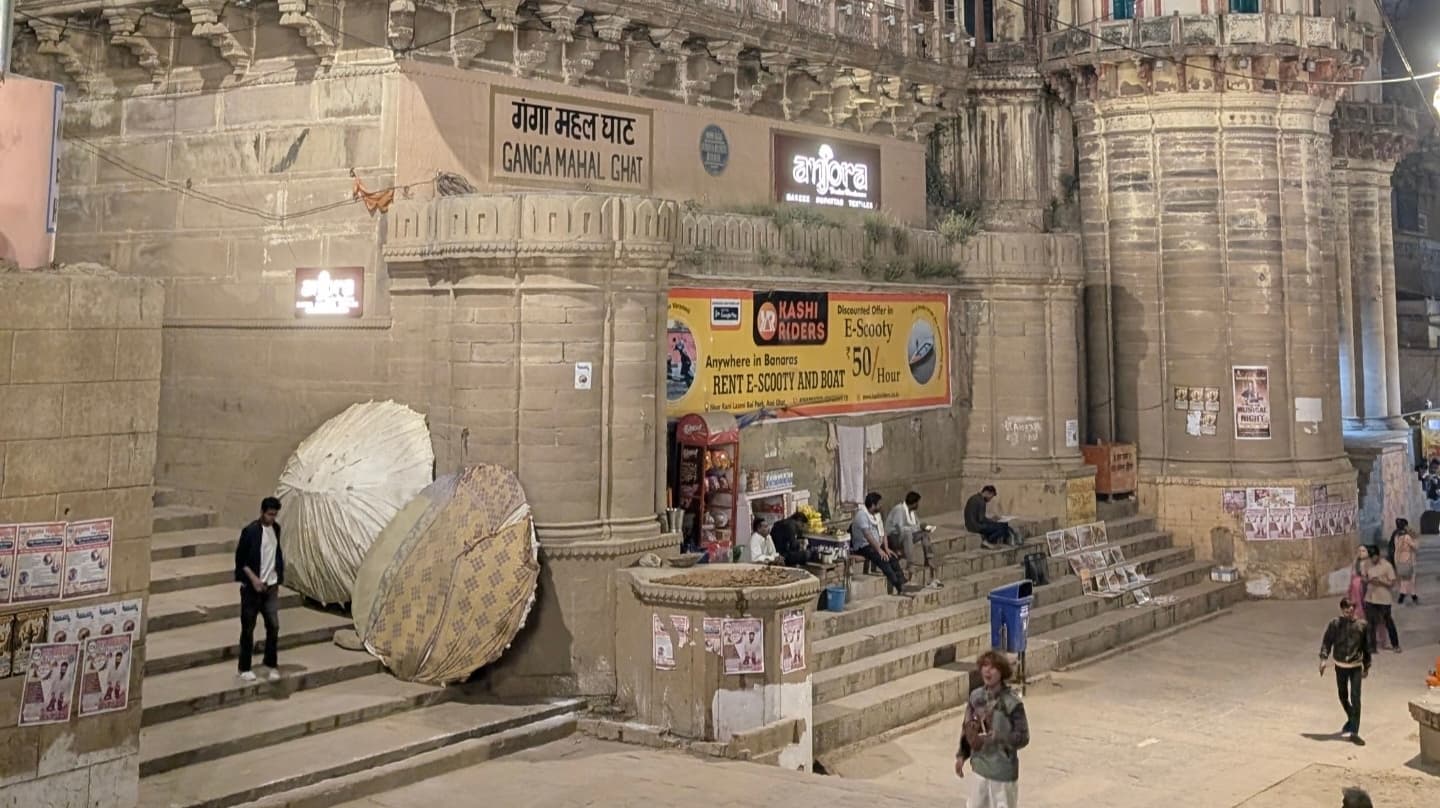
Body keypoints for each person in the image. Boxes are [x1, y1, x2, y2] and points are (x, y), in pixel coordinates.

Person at [956, 650, 1029, 807]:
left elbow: (1023, 737)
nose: (987, 671)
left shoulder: (1012, 703)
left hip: (1002, 773)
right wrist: (962, 755)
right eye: (984, 666)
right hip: (979, 769)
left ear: (1002, 672)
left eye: (993, 667)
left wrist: (1000, 737)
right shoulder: (976, 697)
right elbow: (966, 728)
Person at [235, 496, 286, 682]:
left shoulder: (276, 529)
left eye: (275, 515)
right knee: (248, 628)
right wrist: (254, 580)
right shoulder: (250, 532)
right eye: (270, 514)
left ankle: (271, 663)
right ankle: (244, 667)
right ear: (262, 512)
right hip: (252, 589)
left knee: (273, 626)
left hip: (271, 587)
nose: (272, 518)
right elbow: (241, 562)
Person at [1319, 597, 1371, 746]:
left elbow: (1366, 648)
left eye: (1351, 608)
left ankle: (1354, 731)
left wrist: (1367, 666)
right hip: (1340, 666)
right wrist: (1323, 659)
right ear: (1342, 610)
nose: (1349, 611)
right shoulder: (1335, 625)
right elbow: (1327, 642)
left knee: (1356, 697)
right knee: (1343, 696)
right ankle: (1351, 717)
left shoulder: (1362, 626)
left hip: (1355, 666)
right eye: (1346, 608)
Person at [850, 492, 909, 596]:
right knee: (883, 560)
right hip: (863, 546)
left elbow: (883, 532)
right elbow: (868, 536)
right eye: (879, 504)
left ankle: (903, 581)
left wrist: (886, 548)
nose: (881, 506)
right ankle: (899, 586)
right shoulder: (861, 515)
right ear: (873, 505)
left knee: (892, 557)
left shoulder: (876, 515)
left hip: (876, 544)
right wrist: (880, 550)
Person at [887, 491, 939, 583]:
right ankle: (910, 564)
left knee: (924, 534)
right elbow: (901, 529)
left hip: (906, 536)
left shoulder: (912, 512)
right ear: (914, 503)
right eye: (917, 502)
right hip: (893, 538)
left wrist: (924, 527)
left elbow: (917, 525)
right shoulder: (899, 509)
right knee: (907, 533)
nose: (918, 505)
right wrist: (918, 527)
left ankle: (929, 559)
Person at [1360, 545, 1400, 654]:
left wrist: (1381, 582)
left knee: (1388, 621)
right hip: (1370, 597)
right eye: (1371, 557)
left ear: (1378, 555)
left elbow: (1392, 582)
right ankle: (1372, 647)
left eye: (1374, 557)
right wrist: (1367, 580)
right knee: (1371, 624)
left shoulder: (1387, 566)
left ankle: (1395, 644)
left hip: (1384, 598)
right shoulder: (1365, 564)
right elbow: (1363, 577)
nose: (1372, 560)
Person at [1395, 522, 1420, 605]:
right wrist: (1415, 538)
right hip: (1409, 560)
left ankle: (1402, 596)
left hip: (1401, 560)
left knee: (1403, 579)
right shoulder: (1407, 537)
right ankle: (1413, 595)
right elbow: (1415, 547)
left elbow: (1396, 550)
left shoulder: (1397, 537)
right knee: (1411, 579)